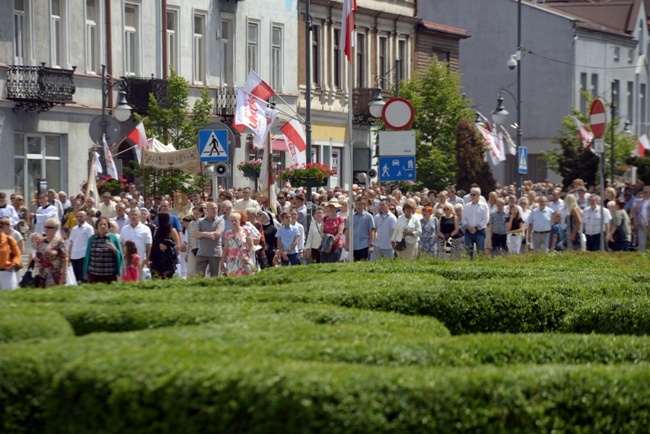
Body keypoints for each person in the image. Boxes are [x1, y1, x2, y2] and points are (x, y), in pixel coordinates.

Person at [83, 217, 124, 284]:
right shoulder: (92, 238)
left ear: (108, 227)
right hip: (93, 273)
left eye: (105, 224)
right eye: (100, 224)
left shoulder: (113, 238)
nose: (102, 226)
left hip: (109, 274)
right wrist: (85, 272)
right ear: (96, 227)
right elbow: (88, 256)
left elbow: (120, 255)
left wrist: (114, 249)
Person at [34, 218, 68, 288]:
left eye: (49, 227)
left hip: (54, 276)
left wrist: (64, 275)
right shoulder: (40, 241)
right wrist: (36, 259)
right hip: (41, 275)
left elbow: (64, 259)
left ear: (55, 229)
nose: (47, 229)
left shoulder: (59, 242)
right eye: (45, 227)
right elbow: (36, 256)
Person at [120, 208, 152, 280]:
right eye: (131, 215)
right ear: (129, 216)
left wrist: (146, 260)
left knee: (139, 282)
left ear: (140, 217)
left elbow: (149, 246)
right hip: (126, 263)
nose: (133, 216)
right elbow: (121, 243)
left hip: (140, 262)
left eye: (135, 215)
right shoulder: (124, 229)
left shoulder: (146, 229)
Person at [194, 202, 224, 277]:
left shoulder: (220, 220)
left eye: (216, 208)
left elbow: (218, 234)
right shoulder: (200, 221)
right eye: (213, 208)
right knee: (198, 276)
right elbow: (195, 235)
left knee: (215, 277)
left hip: (215, 253)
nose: (215, 210)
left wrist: (202, 234)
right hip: (202, 253)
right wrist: (208, 234)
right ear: (207, 210)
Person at [222, 212, 255, 276]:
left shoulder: (246, 230)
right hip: (231, 260)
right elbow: (225, 248)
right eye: (231, 220)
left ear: (239, 220)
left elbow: (251, 245)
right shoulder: (228, 233)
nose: (234, 222)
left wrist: (248, 256)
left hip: (243, 259)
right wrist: (222, 261)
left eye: (235, 220)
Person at [148, 212, 180, 279]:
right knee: (155, 277)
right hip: (156, 258)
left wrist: (167, 247)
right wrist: (149, 257)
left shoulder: (172, 230)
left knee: (166, 279)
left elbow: (177, 246)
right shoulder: (156, 229)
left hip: (167, 259)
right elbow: (154, 244)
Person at [461, 187, 489, 258]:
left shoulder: (484, 206)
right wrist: (468, 227)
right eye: (471, 194)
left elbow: (486, 219)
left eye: (474, 195)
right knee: (468, 251)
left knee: (480, 251)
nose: (472, 196)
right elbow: (463, 218)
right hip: (468, 231)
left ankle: (480, 266)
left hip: (480, 231)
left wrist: (476, 228)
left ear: (478, 195)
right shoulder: (467, 206)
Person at [0, 218, 21, 290]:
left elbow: (17, 254)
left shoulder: (9, 239)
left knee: (10, 297)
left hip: (7, 273)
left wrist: (14, 264)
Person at [186, 206, 204, 279]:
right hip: (192, 249)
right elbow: (189, 238)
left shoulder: (205, 222)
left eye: (197, 213)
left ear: (202, 213)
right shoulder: (191, 223)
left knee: (200, 272)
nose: (196, 215)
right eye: (194, 214)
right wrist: (187, 252)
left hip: (202, 250)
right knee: (190, 272)